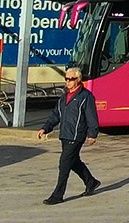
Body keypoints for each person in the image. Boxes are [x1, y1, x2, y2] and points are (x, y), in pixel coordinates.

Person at [37, 67, 101, 205]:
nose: (67, 82)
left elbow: (91, 116)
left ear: (78, 80)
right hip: (65, 134)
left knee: (64, 163)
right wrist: (45, 128)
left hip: (76, 135)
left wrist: (92, 134)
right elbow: (56, 115)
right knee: (74, 161)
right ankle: (91, 182)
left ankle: (57, 195)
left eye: (70, 79)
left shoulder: (86, 96)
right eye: (66, 79)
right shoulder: (63, 97)